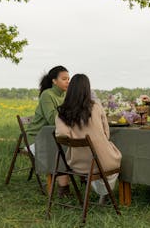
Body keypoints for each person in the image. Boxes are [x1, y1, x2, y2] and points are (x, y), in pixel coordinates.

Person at [55, 74, 122, 204]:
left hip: (76, 163)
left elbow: (62, 135)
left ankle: (100, 191)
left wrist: (76, 137)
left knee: (96, 158)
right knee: (115, 158)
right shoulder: (96, 107)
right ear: (87, 89)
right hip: (101, 162)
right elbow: (106, 134)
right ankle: (104, 193)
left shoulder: (62, 111)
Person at [26, 65, 70, 152]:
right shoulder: (47, 95)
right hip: (38, 136)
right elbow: (52, 120)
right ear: (54, 81)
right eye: (64, 79)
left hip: (55, 135)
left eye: (68, 79)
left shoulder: (66, 95)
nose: (67, 82)